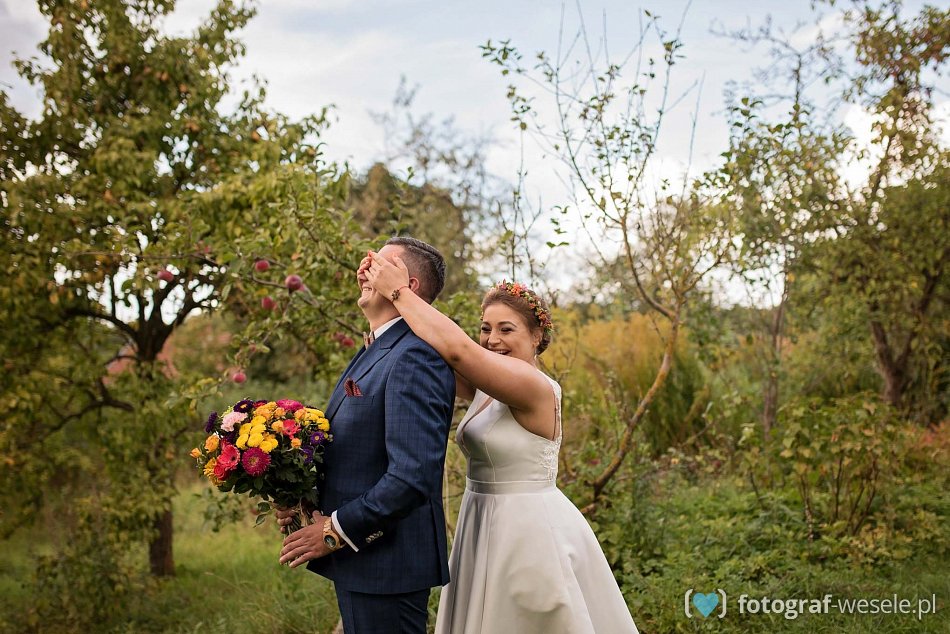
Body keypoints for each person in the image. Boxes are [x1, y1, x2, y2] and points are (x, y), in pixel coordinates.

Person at [365, 252, 640, 633]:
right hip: (480, 518)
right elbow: (430, 352)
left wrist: (399, 291)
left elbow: (457, 350)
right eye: (485, 328)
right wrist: (379, 314)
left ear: (537, 336)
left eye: (506, 329)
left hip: (525, 529)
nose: (492, 340)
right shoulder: (485, 385)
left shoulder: (533, 385)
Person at [277, 237, 456, 634]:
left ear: (409, 285)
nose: (363, 268)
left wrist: (335, 531)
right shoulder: (378, 348)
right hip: (365, 563)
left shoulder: (415, 355)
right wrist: (302, 499)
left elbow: (411, 476)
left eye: (378, 263)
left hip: (388, 567)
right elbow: (359, 453)